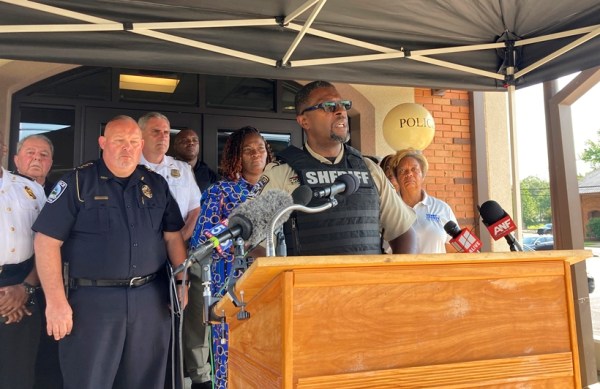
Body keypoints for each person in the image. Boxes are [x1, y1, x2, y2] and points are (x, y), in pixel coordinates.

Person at [32, 115, 189, 389]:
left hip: (150, 301)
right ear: (103, 142)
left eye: (132, 142)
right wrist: (56, 303)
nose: (126, 148)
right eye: (119, 141)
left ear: (141, 145)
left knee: (146, 381)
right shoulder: (78, 183)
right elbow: (46, 242)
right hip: (92, 304)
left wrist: (182, 282)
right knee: (89, 381)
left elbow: (173, 238)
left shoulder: (156, 185)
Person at [253, 80, 417, 255]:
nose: (341, 111)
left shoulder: (369, 169)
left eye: (343, 105)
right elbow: (252, 241)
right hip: (307, 282)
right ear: (304, 121)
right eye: (329, 106)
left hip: (367, 282)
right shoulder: (282, 174)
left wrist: (394, 280)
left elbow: (403, 233)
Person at [189, 126, 274, 388]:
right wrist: (247, 247)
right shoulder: (221, 192)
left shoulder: (278, 190)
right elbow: (204, 240)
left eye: (260, 148)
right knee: (231, 356)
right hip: (232, 285)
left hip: (272, 285)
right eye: (248, 149)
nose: (256, 154)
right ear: (236, 155)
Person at [0, 135, 46, 389]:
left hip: (23, 290)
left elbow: (47, 248)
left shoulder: (30, 190)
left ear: (3, 147)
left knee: (18, 377)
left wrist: (25, 289)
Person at [139, 112, 202, 241]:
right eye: (156, 132)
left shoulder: (183, 169)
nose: (162, 137)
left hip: (177, 248)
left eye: (166, 132)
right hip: (139, 249)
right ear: (140, 135)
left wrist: (178, 240)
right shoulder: (129, 167)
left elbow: (195, 210)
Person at [389, 149, 458, 253]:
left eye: (414, 169)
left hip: (436, 269)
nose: (409, 174)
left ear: (423, 175)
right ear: (397, 178)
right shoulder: (388, 208)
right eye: (403, 171)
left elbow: (454, 250)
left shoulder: (441, 208)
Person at [172, 129, 218, 193]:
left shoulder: (210, 175)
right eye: (185, 140)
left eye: (195, 140)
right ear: (175, 146)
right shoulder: (166, 169)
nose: (191, 143)